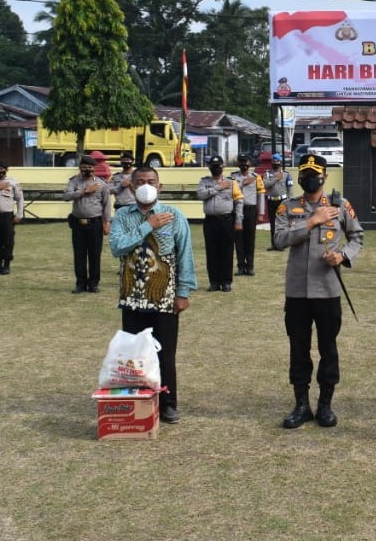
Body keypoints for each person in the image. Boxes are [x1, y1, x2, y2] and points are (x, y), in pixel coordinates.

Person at [274, 154, 364, 428]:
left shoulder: (341, 206)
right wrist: (311, 221)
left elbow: (357, 237)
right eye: (305, 173)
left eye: (315, 173)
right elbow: (278, 240)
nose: (309, 178)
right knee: (298, 349)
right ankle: (301, 405)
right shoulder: (287, 207)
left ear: (325, 176)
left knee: (328, 348)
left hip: (327, 290)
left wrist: (343, 256)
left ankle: (325, 404)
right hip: (298, 293)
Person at [109, 166, 197, 424]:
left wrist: (183, 292)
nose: (145, 185)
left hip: (165, 297)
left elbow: (185, 255)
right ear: (132, 186)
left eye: (151, 181)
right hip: (132, 296)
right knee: (135, 352)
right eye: (140, 181)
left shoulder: (174, 215)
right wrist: (147, 226)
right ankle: (140, 399)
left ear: (160, 186)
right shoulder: (123, 216)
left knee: (165, 353)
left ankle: (168, 402)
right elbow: (116, 247)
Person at [62, 155, 112, 293]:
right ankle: (80, 284)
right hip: (78, 224)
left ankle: (94, 283)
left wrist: (107, 223)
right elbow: (66, 196)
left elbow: (107, 204)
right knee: (79, 255)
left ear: (94, 169)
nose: (87, 170)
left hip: (95, 223)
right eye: (84, 167)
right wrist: (84, 191)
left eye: (89, 167)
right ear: (80, 168)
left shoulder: (102, 184)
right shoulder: (74, 181)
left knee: (95, 255)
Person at [196, 154, 243, 292]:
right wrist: (218, 187)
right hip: (210, 221)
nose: (216, 168)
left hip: (226, 220)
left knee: (226, 251)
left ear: (223, 167)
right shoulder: (204, 182)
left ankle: (226, 281)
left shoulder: (232, 182)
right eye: (213, 166)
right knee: (211, 252)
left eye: (218, 166)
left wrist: (239, 220)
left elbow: (239, 201)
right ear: (209, 167)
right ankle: (214, 282)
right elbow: (200, 195)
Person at [231, 153, 266, 276]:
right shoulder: (233, 177)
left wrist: (261, 213)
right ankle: (240, 266)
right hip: (237, 210)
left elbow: (261, 195)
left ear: (250, 163)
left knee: (250, 239)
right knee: (239, 239)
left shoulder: (256, 177)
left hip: (251, 210)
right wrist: (243, 183)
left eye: (245, 162)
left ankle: (250, 266)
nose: (243, 164)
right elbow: (230, 190)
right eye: (241, 162)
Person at [263, 152, 292, 249]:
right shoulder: (267, 174)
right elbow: (265, 185)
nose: (276, 163)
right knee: (272, 223)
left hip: (282, 201)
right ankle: (274, 244)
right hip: (271, 201)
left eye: (277, 161)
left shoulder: (286, 174)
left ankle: (282, 244)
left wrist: (290, 202)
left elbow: (290, 189)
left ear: (280, 162)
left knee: (282, 223)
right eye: (274, 161)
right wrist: (275, 179)